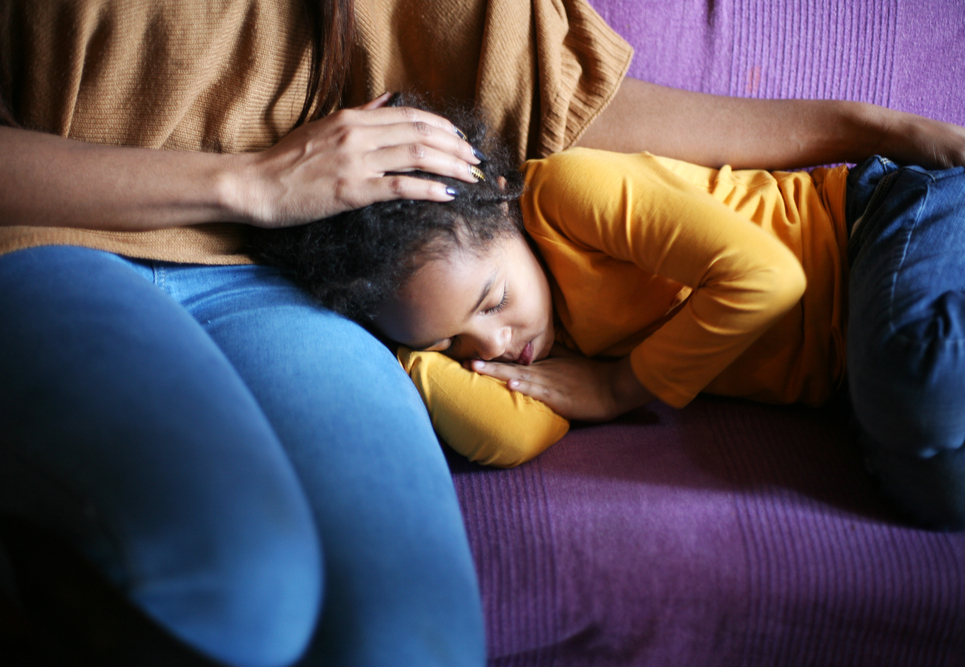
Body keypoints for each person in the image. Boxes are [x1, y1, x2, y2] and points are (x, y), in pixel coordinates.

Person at [2, 0, 965, 665]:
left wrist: (864, 125)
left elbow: (578, 115)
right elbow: (516, 420)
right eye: (472, 334)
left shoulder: (535, 212)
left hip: (284, 280)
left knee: (409, 635)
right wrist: (252, 189)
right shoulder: (442, 305)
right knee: (244, 583)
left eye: (487, 316)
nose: (497, 344)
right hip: (62, 241)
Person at [255, 96, 965, 533]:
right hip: (852, 371)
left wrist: (620, 386)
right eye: (453, 342)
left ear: (502, 203)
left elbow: (767, 276)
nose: (495, 345)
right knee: (933, 491)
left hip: (884, 230)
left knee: (913, 380)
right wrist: (408, 352)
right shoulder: (530, 344)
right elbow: (509, 435)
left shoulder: (567, 195)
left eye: (492, 301)